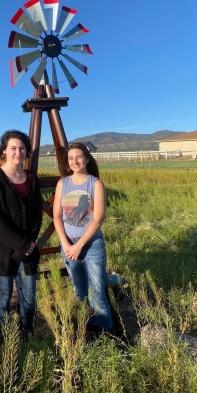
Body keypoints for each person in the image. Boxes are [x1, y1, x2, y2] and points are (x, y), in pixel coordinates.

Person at [0, 130, 42, 338]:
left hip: (28, 250)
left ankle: (28, 336)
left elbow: (36, 216)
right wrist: (22, 244)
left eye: (22, 148)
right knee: (3, 297)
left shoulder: (32, 180)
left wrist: (29, 244)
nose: (18, 152)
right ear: (4, 151)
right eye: (14, 148)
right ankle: (0, 339)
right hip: (2, 250)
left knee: (28, 298)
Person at [53, 142, 114, 336]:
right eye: (71, 158)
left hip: (91, 245)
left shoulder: (95, 183)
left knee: (97, 294)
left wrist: (79, 245)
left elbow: (97, 218)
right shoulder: (62, 183)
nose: (75, 161)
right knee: (81, 293)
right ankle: (89, 329)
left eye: (79, 157)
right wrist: (66, 244)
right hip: (69, 245)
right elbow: (56, 216)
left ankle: (107, 335)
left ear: (87, 159)